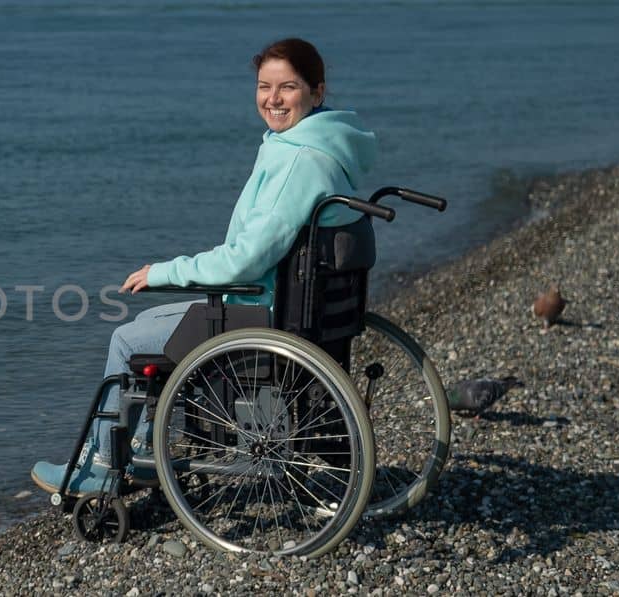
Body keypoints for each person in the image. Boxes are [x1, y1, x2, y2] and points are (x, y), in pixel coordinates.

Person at [31, 38, 378, 496]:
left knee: (126, 340)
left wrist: (166, 271)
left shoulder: (299, 161)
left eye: (287, 87)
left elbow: (246, 258)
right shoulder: (322, 146)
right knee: (149, 324)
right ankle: (143, 451)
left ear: (317, 92)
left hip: (260, 311)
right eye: (263, 87)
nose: (272, 99)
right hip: (286, 302)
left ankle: (99, 470)